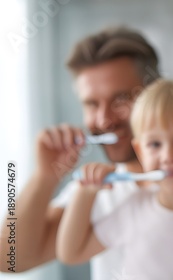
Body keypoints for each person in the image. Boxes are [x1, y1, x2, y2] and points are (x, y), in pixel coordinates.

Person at [0, 26, 160, 279]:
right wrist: (46, 176)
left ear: (154, 92)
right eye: (92, 104)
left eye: (120, 99)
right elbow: (9, 258)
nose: (104, 120)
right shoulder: (92, 188)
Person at [57, 79, 173, 280]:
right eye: (155, 144)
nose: (168, 156)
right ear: (140, 151)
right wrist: (85, 194)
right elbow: (71, 253)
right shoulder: (135, 207)